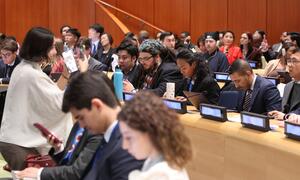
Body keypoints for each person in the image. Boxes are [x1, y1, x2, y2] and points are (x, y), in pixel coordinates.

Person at [0, 27, 73, 170]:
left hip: (15, 140)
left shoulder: (26, 68)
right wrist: (82, 75)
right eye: (51, 47)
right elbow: (59, 104)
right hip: (19, 144)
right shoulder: (30, 74)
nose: (55, 51)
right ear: (41, 49)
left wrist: (65, 75)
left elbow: (52, 93)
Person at [60, 71, 144, 179]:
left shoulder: (127, 143)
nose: (81, 125)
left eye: (81, 117)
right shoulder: (111, 134)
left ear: (96, 105)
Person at [118, 91, 192, 180]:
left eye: (129, 137)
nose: (124, 146)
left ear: (150, 133)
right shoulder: (154, 160)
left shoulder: (162, 176)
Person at [269, 48, 300, 120]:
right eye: (289, 61)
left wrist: (284, 116)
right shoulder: (288, 86)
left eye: (294, 61)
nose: (289, 65)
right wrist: (277, 114)